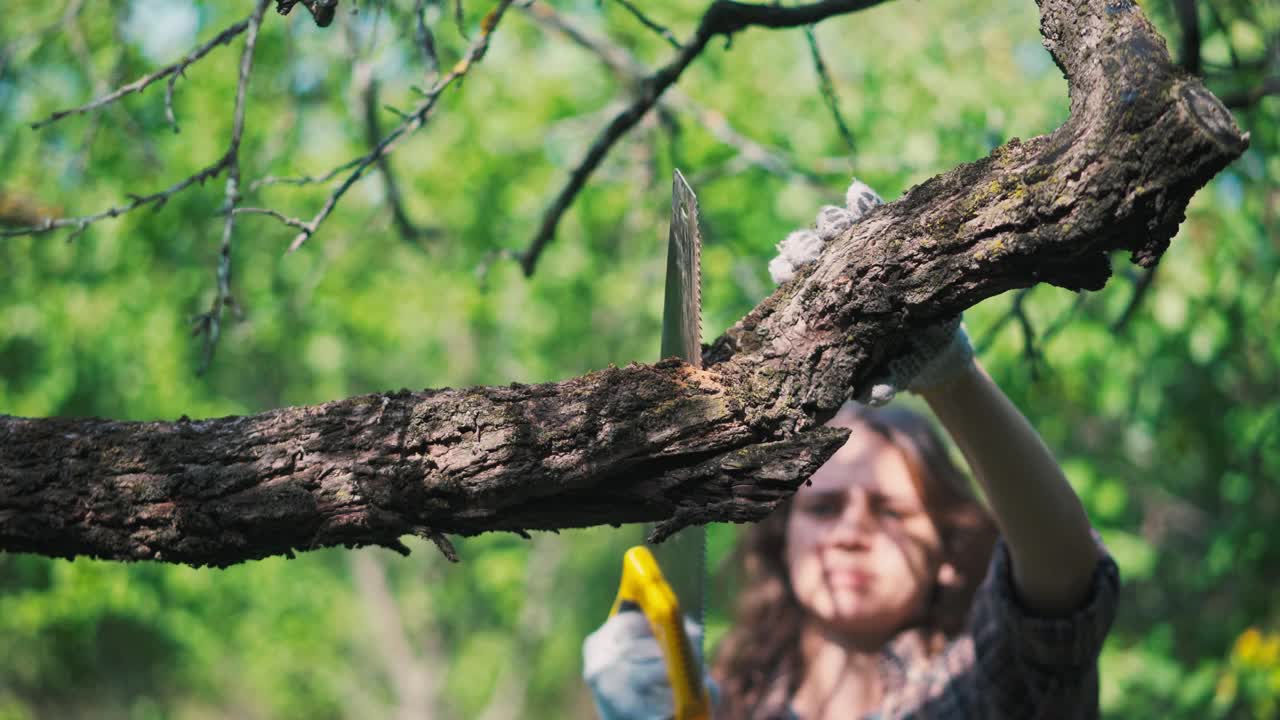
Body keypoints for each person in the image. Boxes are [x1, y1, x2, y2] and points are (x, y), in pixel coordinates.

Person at [582, 181, 1120, 719]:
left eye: (890, 510)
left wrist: (948, 373)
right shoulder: (722, 706)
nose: (850, 534)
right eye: (824, 506)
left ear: (947, 554)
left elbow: (1066, 574)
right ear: (782, 537)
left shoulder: (983, 689)